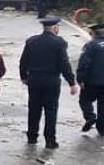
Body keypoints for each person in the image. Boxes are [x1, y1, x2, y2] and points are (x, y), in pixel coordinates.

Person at [19, 17, 79, 148]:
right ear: (55, 28)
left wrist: (23, 77)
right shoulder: (59, 43)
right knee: (51, 110)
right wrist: (71, 82)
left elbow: (23, 61)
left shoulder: (31, 41)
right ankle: (50, 139)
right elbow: (64, 64)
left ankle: (32, 136)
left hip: (34, 80)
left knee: (34, 108)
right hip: (51, 80)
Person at [76, 21, 104, 135]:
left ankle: (90, 116)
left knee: (85, 100)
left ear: (94, 34)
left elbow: (84, 64)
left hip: (92, 81)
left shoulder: (90, 46)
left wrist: (80, 79)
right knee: (103, 105)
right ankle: (102, 129)